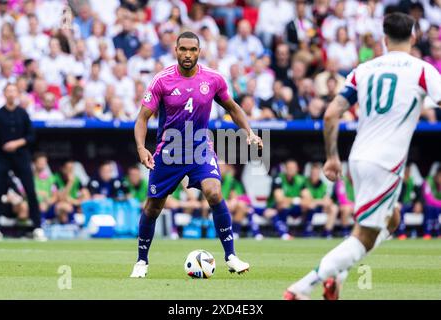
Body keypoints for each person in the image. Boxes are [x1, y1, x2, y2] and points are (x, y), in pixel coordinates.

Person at [284, 12, 441, 300]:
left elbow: (331, 114)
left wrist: (332, 157)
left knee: (392, 219)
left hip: (359, 157)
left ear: (384, 38)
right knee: (364, 235)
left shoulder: (363, 69)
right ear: (415, 37)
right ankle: (301, 288)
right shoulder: (423, 70)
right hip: (386, 162)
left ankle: (337, 278)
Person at [130, 31, 263, 278]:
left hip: (200, 148)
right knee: (152, 207)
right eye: (183, 49)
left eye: (192, 49)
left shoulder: (213, 79)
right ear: (176, 50)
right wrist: (141, 148)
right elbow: (142, 118)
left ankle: (231, 256)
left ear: (199, 51)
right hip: (168, 153)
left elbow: (233, 108)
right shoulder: (162, 80)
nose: (188, 54)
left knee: (214, 191)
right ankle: (141, 261)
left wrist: (249, 133)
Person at [0, 83, 46, 241]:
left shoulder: (23, 113)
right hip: (2, 157)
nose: (11, 93)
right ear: (4, 93)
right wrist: (4, 145)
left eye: (13, 91)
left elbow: (31, 136)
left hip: (21, 157)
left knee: (30, 191)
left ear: (17, 94)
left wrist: (17, 143)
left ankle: (37, 227)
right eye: (8, 90)